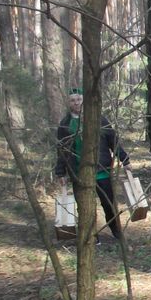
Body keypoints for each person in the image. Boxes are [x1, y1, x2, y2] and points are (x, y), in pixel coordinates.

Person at [54, 88, 130, 242]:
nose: (76, 103)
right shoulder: (65, 124)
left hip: (101, 171)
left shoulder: (98, 119)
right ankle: (91, 237)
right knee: (85, 208)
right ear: (69, 103)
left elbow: (112, 140)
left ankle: (117, 233)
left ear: (84, 101)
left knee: (108, 204)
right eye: (73, 100)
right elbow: (62, 150)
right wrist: (60, 172)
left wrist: (125, 159)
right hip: (78, 173)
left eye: (79, 99)